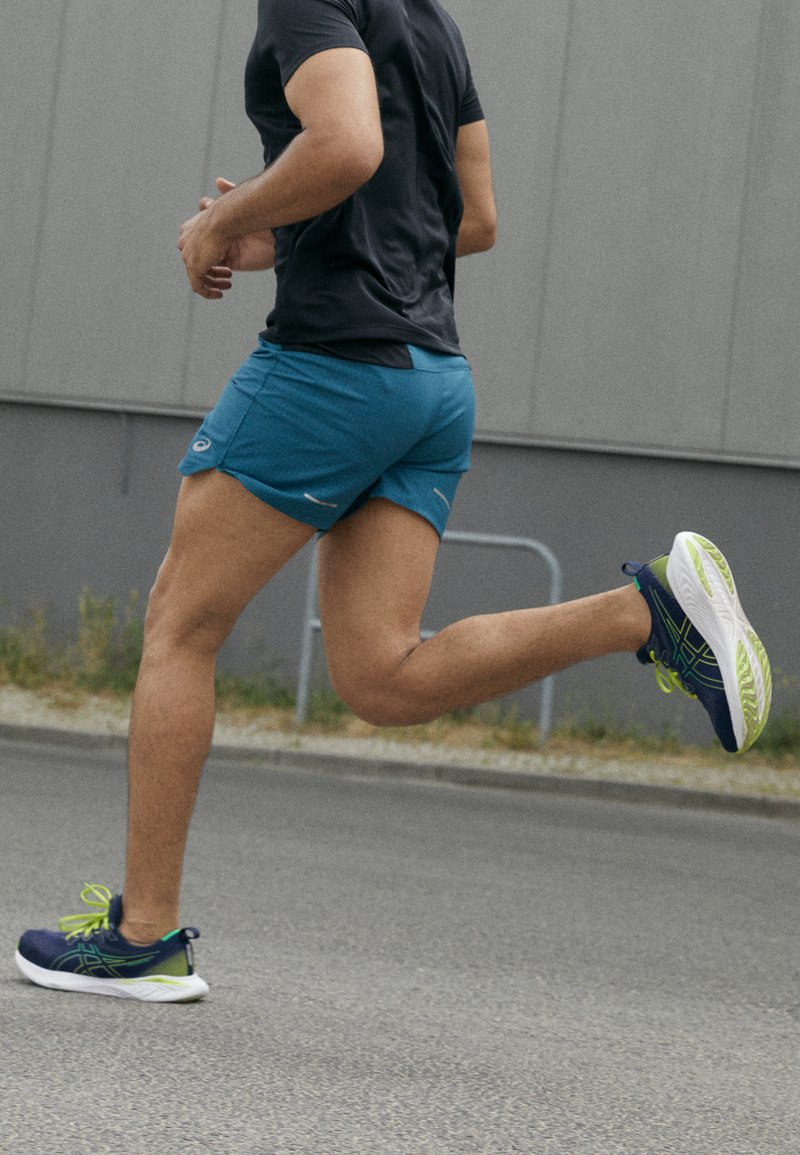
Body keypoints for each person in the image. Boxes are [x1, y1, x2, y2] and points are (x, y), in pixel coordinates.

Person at [15, 0, 771, 1002]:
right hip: (430, 381)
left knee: (178, 630)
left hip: (329, 371)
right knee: (380, 676)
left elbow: (346, 147)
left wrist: (223, 219)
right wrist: (275, 239)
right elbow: (468, 220)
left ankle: (144, 935)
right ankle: (642, 610)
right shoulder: (431, 23)